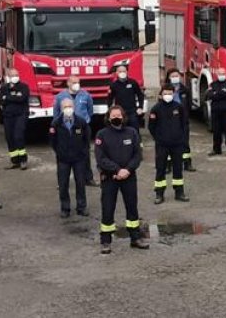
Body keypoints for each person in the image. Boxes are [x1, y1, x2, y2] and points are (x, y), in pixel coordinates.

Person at [94, 105, 148, 253]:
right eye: (113, 116)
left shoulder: (131, 132)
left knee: (132, 208)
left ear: (123, 117)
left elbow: (138, 155)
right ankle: (106, 241)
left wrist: (127, 170)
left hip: (129, 176)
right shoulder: (102, 134)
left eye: (119, 115)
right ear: (108, 118)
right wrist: (117, 170)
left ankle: (135, 238)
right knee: (107, 208)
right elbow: (100, 158)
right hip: (110, 177)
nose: (116, 118)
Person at [148, 84, 189, 204]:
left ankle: (179, 192)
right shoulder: (156, 109)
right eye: (165, 93)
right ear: (161, 94)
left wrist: (181, 138)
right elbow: (151, 126)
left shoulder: (179, 107)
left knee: (178, 168)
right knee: (160, 169)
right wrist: (159, 138)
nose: (168, 96)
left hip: (177, 144)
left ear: (173, 94)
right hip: (162, 145)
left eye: (170, 93)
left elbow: (184, 124)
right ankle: (159, 194)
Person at [49, 99, 90, 217]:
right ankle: (65, 208)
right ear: (61, 109)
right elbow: (52, 140)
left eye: (70, 106)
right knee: (63, 184)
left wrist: (83, 152)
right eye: (65, 106)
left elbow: (87, 139)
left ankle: (81, 207)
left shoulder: (81, 122)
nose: (68, 108)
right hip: (63, 160)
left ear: (74, 107)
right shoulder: (56, 123)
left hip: (79, 159)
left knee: (81, 183)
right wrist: (60, 152)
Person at [52, 75, 95, 187]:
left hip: (82, 127)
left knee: (85, 152)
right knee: (62, 153)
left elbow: (90, 111)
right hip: (65, 128)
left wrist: (85, 121)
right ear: (68, 83)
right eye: (74, 82)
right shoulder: (60, 96)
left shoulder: (85, 95)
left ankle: (88, 178)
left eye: (78, 82)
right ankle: (61, 181)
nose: (77, 84)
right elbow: (56, 114)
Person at [0, 68, 30, 169]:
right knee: (9, 138)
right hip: (8, 116)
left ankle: (23, 160)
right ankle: (15, 161)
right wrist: (12, 97)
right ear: (8, 76)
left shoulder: (24, 87)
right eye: (13, 75)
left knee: (18, 136)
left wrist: (7, 97)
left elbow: (22, 98)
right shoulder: (4, 87)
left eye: (17, 75)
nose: (15, 77)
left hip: (21, 115)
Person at [165, 69, 195, 172]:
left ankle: (187, 164)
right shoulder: (165, 90)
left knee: (185, 143)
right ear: (169, 77)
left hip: (182, 121)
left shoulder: (185, 89)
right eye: (172, 76)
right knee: (169, 143)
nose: (175, 78)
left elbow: (189, 104)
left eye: (176, 75)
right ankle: (168, 165)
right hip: (169, 121)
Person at [207, 68, 226, 155]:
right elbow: (209, 95)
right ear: (217, 74)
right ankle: (216, 149)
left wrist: (216, 93)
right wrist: (222, 93)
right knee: (216, 131)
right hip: (215, 111)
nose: (222, 75)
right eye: (220, 73)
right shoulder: (212, 84)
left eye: (223, 73)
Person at [108, 65, 145, 130]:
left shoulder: (133, 82)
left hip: (132, 112)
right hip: (120, 113)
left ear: (127, 72)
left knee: (134, 129)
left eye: (124, 71)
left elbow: (140, 95)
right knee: (120, 130)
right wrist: (110, 110)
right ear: (116, 73)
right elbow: (110, 98)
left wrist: (140, 107)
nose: (122, 73)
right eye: (120, 71)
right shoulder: (113, 85)